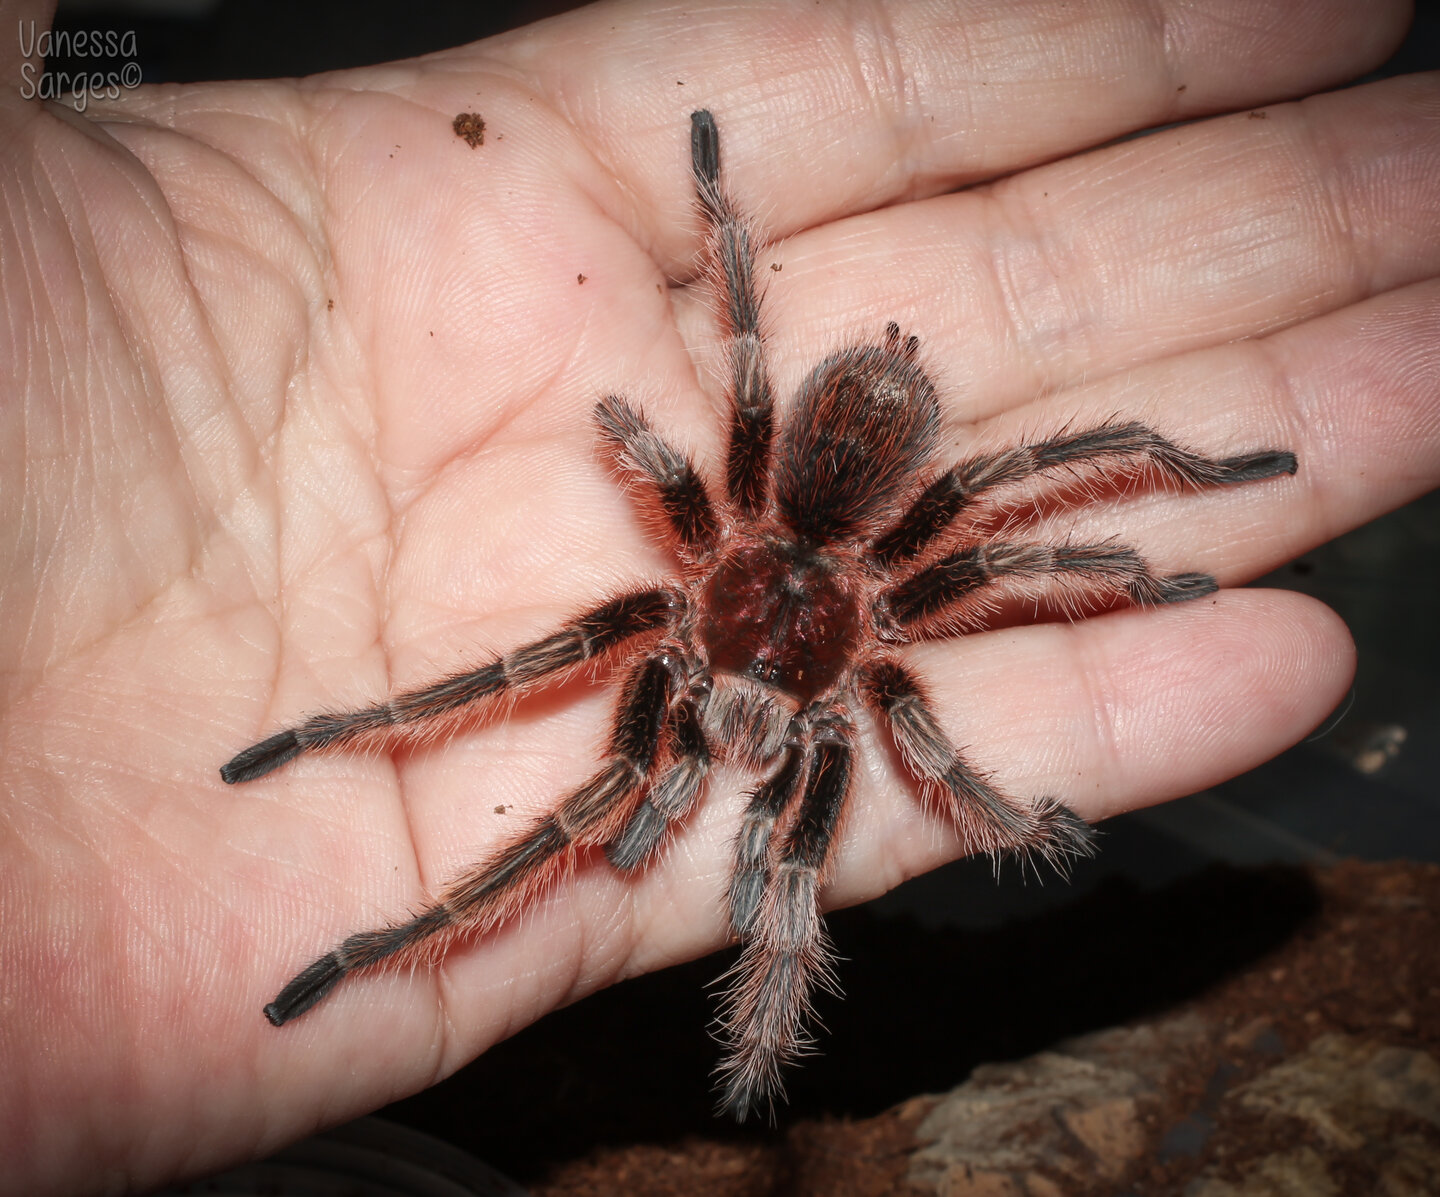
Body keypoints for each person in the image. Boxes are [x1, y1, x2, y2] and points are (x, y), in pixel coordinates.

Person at [2, 0, 1435, 1190]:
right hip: (793, 533)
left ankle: (730, 1036)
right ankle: (392, 892)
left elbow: (1006, 565)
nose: (739, 716)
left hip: (846, 537)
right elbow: (732, 362)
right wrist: (709, 220)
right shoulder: (705, 584)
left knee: (1001, 528)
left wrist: (1095, 629)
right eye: (731, 688)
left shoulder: (876, 630)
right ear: (710, 560)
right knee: (553, 727)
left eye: (740, 697)